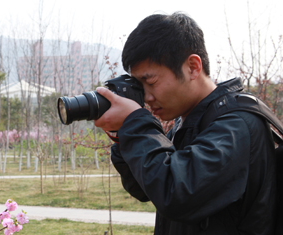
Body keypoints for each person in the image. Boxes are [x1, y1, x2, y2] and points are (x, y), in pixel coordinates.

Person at [94, 12, 276, 234]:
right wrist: (124, 137)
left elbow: (175, 194)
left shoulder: (237, 125)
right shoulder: (188, 122)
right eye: (140, 87)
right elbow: (144, 188)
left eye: (150, 81)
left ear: (192, 67)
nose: (147, 98)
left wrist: (135, 124)